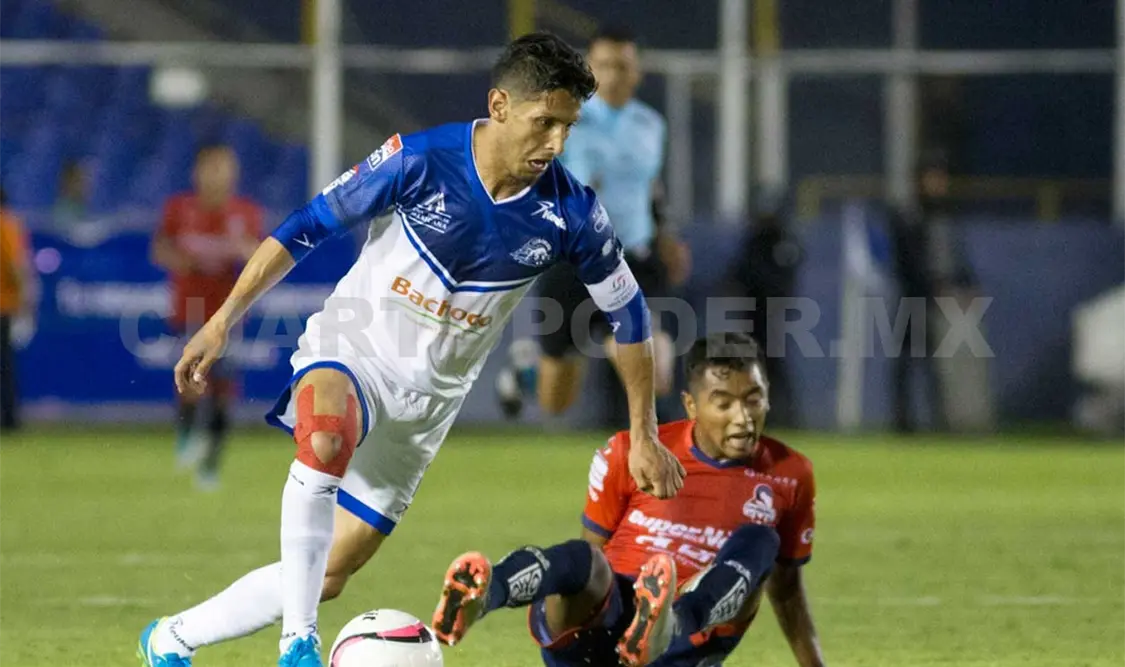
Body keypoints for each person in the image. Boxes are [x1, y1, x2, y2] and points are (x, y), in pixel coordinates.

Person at [138, 32, 685, 667]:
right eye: (545, 123)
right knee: (324, 439)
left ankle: (172, 638)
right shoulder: (419, 160)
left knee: (329, 571)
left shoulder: (572, 211)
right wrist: (224, 318)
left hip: (426, 405)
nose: (558, 144)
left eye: (568, 126)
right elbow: (306, 226)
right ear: (501, 105)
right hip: (355, 350)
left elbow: (630, 314)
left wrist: (643, 431)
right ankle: (299, 646)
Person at [434, 332, 825, 667]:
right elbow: (594, 555)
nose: (742, 417)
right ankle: (485, 593)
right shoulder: (634, 452)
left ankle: (669, 621)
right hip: (602, 626)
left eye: (754, 400)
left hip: (684, 641)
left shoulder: (790, 474)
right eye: (723, 403)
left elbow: (787, 591)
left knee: (761, 542)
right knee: (582, 559)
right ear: (691, 405)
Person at [496, 24, 690, 422]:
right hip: (572, 262)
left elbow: (650, 184)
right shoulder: (565, 118)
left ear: (637, 71)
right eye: (604, 65)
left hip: (634, 257)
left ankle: (644, 460)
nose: (614, 75)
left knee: (655, 372)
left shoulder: (650, 125)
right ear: (588, 68)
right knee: (556, 401)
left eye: (623, 66)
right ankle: (528, 370)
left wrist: (666, 235)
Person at [150, 144, 263, 489]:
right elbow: (160, 248)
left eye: (224, 167)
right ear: (197, 172)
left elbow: (259, 256)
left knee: (223, 387)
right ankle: (186, 435)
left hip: (228, 313)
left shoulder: (246, 212)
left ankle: (211, 460)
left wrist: (244, 253)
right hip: (189, 308)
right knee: (189, 380)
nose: (217, 175)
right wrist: (180, 260)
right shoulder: (179, 208)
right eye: (211, 167)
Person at [0, 185, 36, 432]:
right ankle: (9, 419)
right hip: (4, 304)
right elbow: (16, 265)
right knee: (5, 366)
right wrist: (26, 299)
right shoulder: (7, 225)